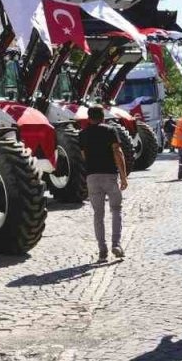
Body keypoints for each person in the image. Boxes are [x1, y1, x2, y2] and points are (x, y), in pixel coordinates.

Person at [78, 105, 129, 262]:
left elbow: (83, 155)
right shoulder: (110, 131)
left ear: (89, 117)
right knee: (116, 210)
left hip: (92, 177)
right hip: (109, 176)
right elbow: (117, 152)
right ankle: (116, 244)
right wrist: (124, 175)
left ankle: (102, 250)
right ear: (103, 116)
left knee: (98, 215)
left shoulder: (82, 134)